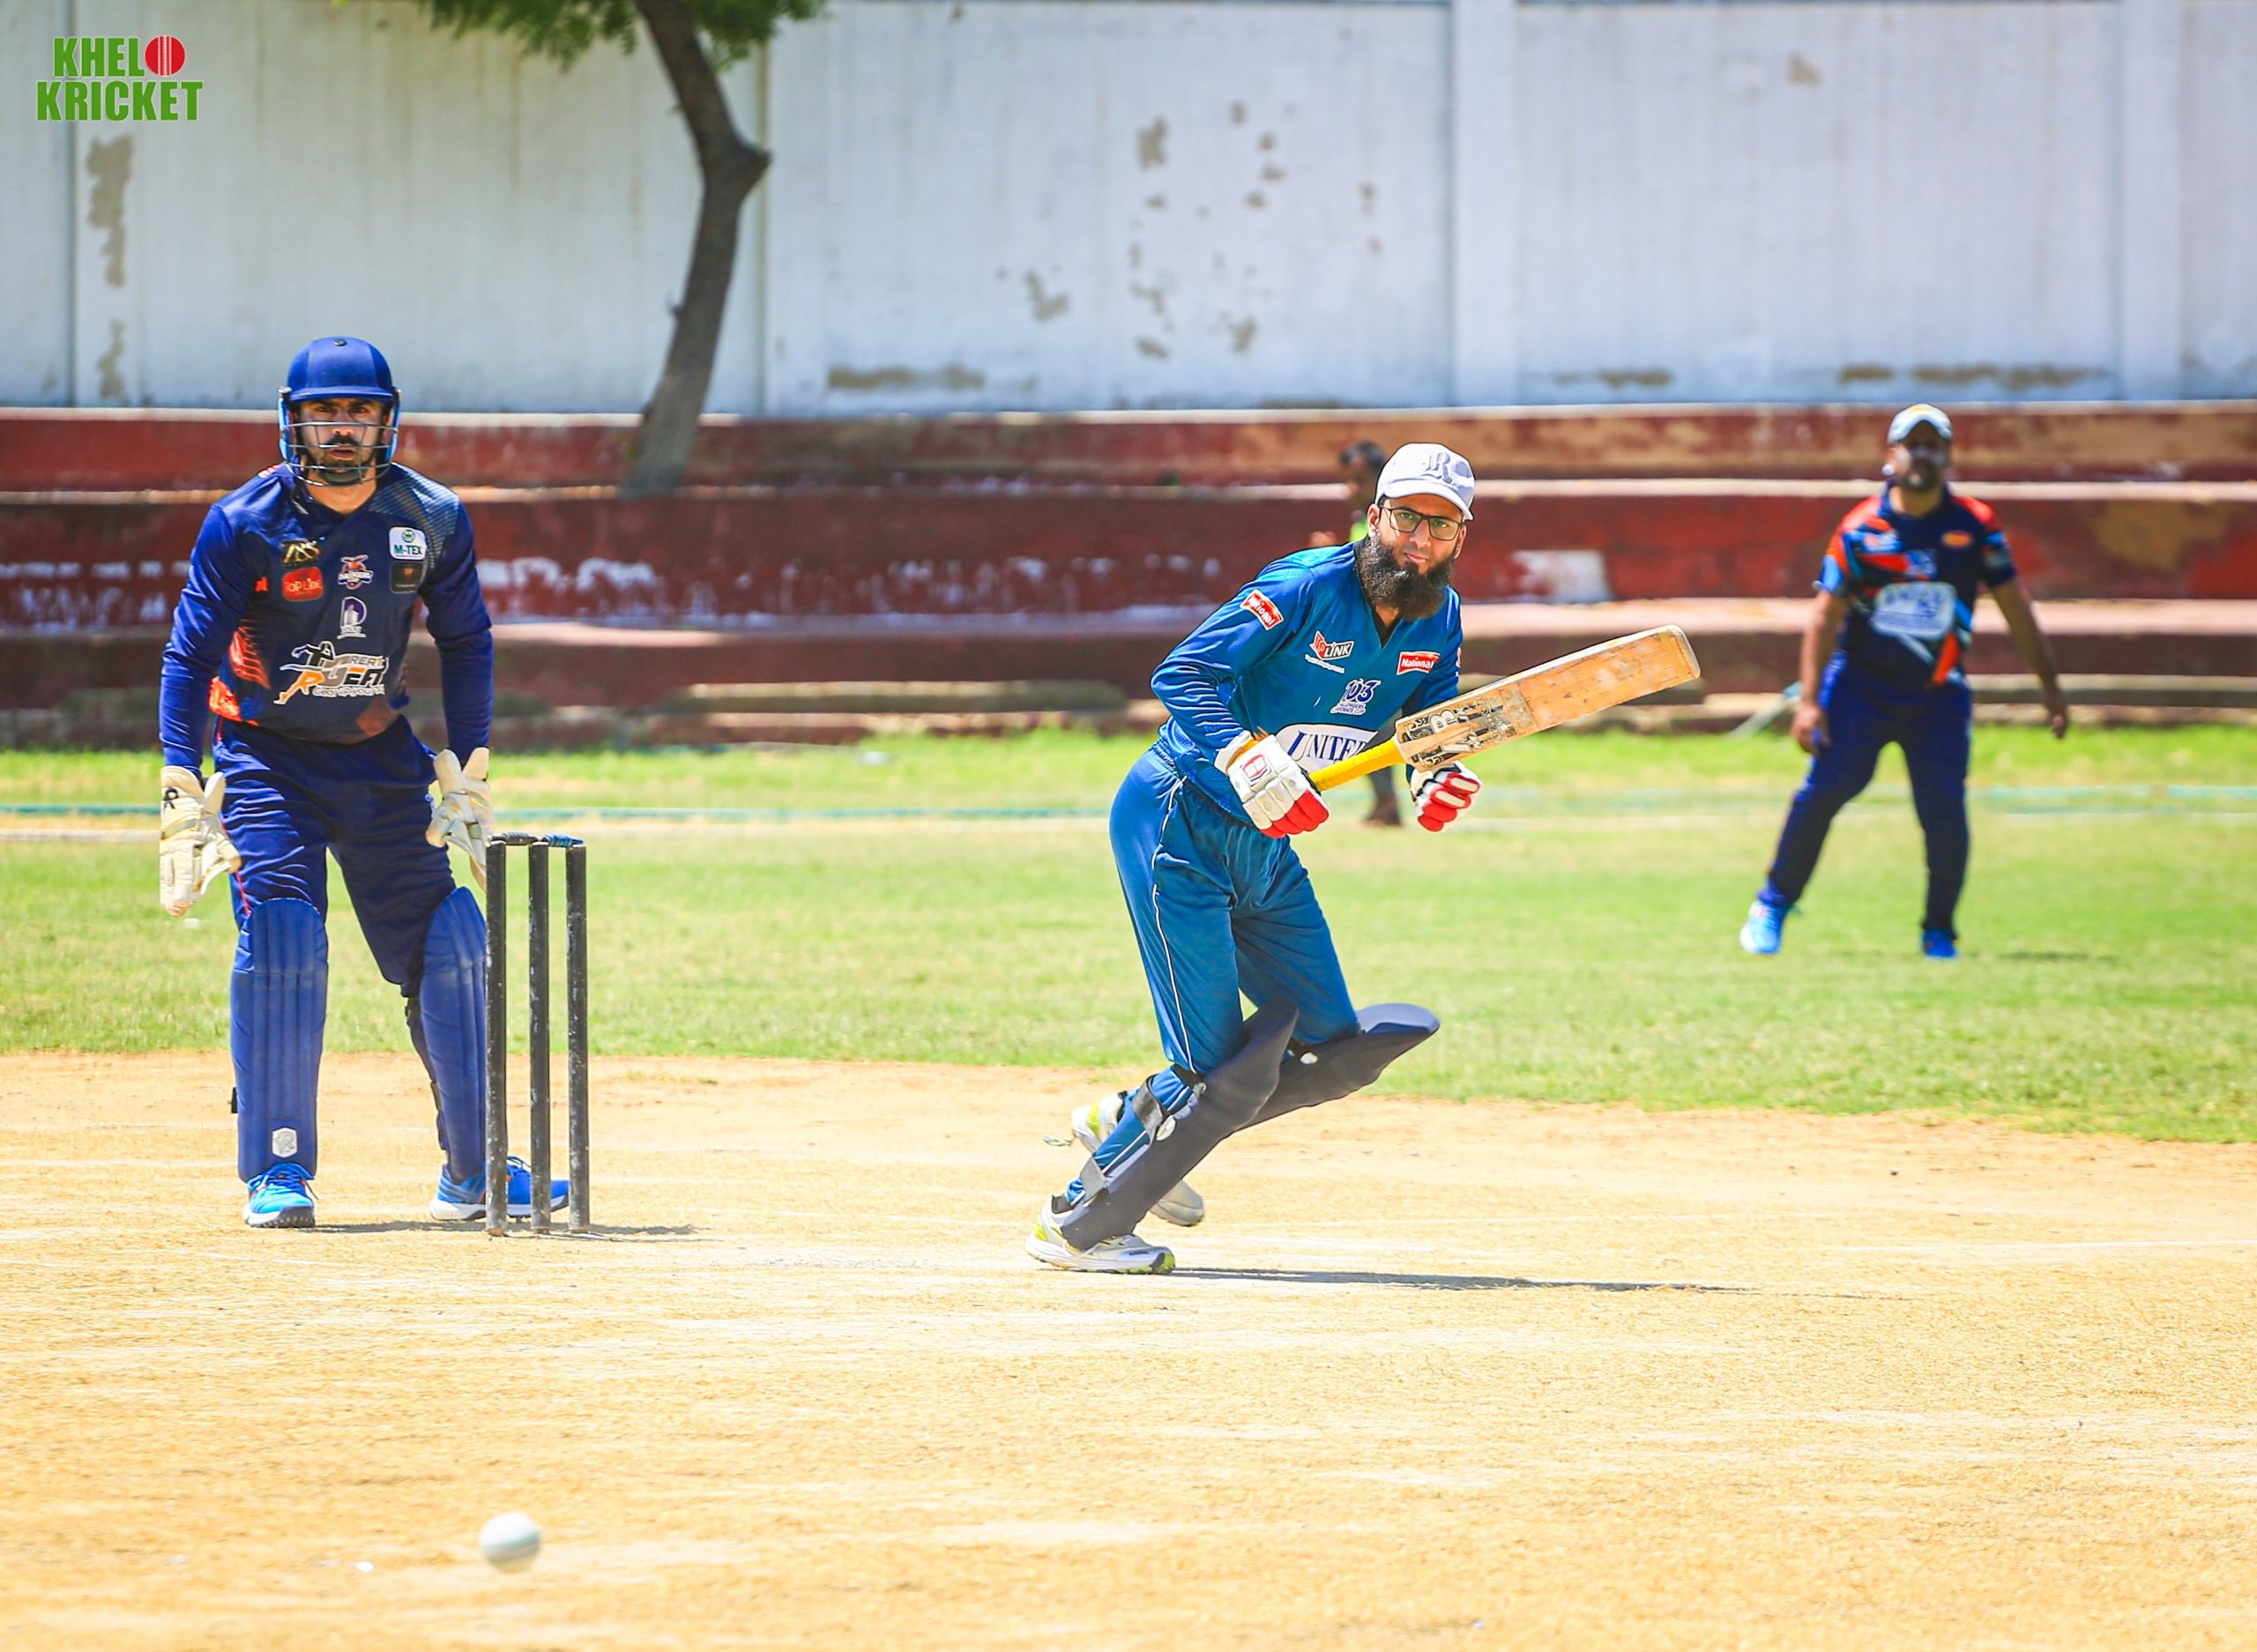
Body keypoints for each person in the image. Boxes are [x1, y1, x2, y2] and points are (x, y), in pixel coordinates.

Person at [1028, 443, 1486, 1273]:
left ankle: (1135, 1120)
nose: (1420, 539)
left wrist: (1436, 776)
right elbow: (1184, 675)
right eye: (1407, 518)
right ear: (1375, 516)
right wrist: (1244, 753)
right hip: (1180, 822)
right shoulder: (1305, 586)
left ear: (1461, 537)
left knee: (1334, 1048)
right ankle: (1076, 1223)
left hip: (1267, 849)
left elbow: (1431, 723)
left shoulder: (1441, 615)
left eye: (1441, 526)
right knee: (1214, 1069)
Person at [156, 335, 562, 1228]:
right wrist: (182, 776)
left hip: (380, 759)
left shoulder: (431, 517)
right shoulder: (244, 522)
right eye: (324, 412)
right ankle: (278, 1168)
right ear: (293, 420)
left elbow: (467, 640)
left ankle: (476, 1169)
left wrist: (471, 768)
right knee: (286, 938)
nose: (341, 428)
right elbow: (189, 654)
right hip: (267, 760)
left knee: (452, 941)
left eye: (359, 412)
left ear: (387, 420)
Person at [1739, 404, 2068, 961]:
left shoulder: (1975, 527)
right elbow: (1825, 616)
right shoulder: (1862, 530)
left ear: (1948, 456)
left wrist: (2051, 687)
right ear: (1890, 456)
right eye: (1911, 445)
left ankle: (1939, 932)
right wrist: (1811, 702)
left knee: (1944, 813)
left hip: (1937, 696)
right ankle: (1771, 905)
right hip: (1861, 691)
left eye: (1933, 445)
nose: (1922, 455)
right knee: (1823, 793)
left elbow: (2015, 605)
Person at [1309, 440, 1407, 827]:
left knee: (1368, 719)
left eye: (1361, 479)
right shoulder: (1362, 519)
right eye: (1347, 479)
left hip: (1384, 641)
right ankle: (1386, 803)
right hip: (1365, 638)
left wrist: (1330, 556)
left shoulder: (1393, 524)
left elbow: (1379, 574)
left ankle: (1389, 801)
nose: (1351, 487)